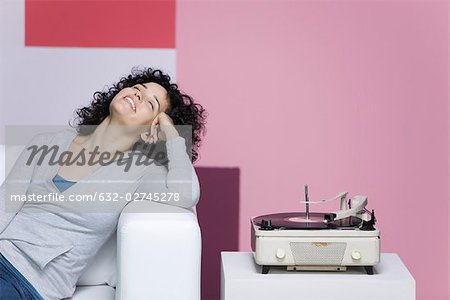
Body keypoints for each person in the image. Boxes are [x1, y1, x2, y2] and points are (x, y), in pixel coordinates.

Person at [0, 67, 207, 299]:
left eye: (151, 104)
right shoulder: (47, 142)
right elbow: (4, 203)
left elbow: (187, 193)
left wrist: (172, 136)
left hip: (27, 282)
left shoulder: (142, 172)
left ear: (154, 126)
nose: (139, 95)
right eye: (138, 89)